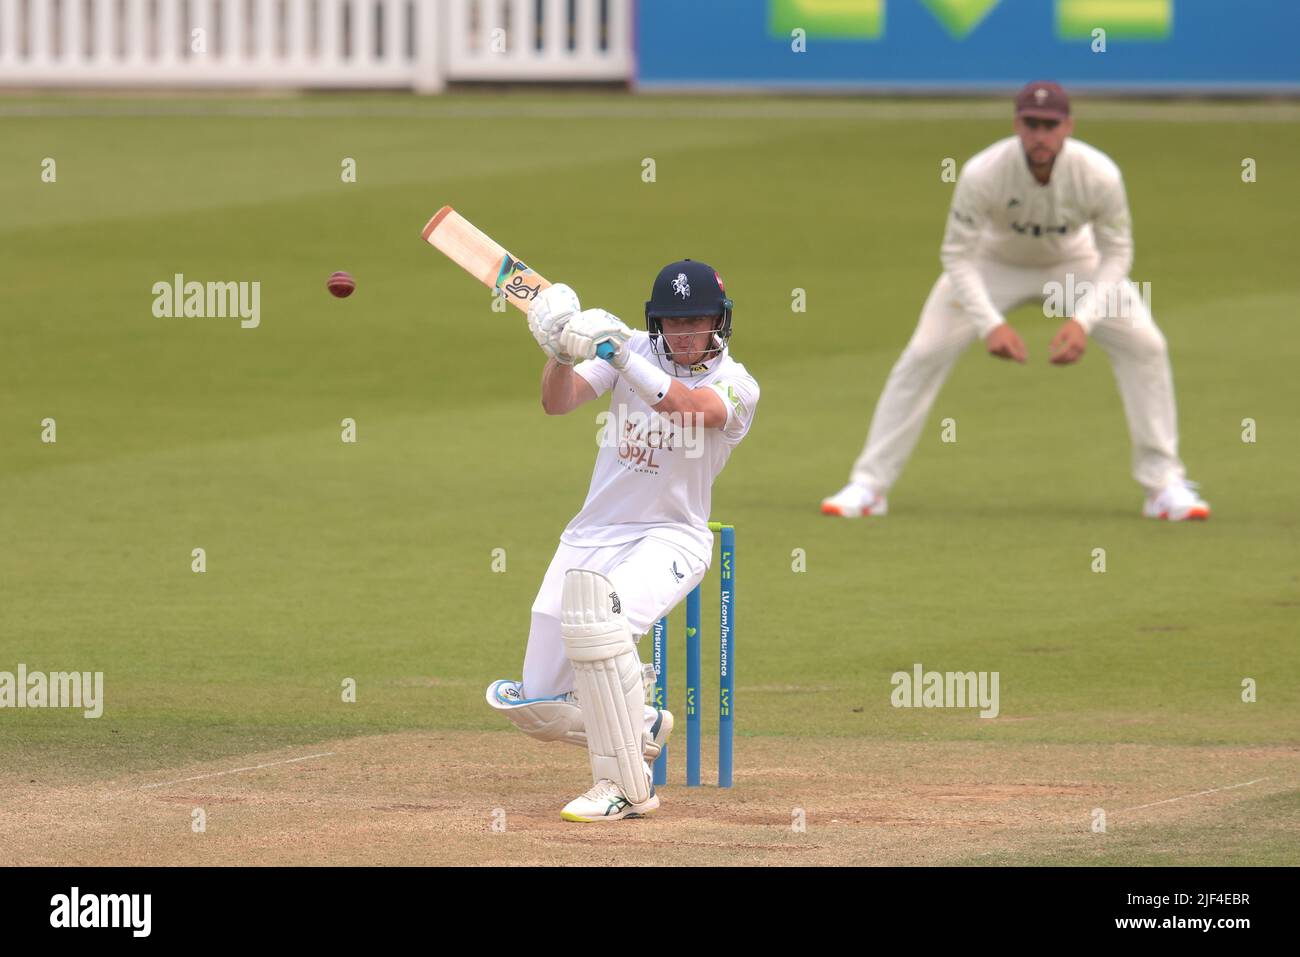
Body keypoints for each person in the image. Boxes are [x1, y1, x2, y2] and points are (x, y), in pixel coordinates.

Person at [822, 81, 1209, 522]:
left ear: (1068, 127)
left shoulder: (1100, 174)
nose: (1040, 134)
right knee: (923, 353)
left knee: (1147, 346)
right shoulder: (982, 172)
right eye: (1031, 124)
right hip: (992, 264)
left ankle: (1163, 485)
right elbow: (956, 255)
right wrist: (991, 325)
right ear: (1016, 125)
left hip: (1073, 264)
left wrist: (1082, 320)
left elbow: (1116, 252)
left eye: (1050, 125)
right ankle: (869, 486)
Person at [485, 260, 759, 821]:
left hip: (672, 538)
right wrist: (560, 354)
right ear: (657, 323)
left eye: (698, 322)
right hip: (591, 534)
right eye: (674, 323)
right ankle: (639, 721)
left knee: (603, 628)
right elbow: (556, 402)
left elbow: (686, 409)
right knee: (538, 706)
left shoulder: (737, 384)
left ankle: (627, 790)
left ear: (719, 323)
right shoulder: (631, 350)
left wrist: (615, 352)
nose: (685, 336)